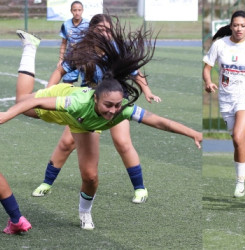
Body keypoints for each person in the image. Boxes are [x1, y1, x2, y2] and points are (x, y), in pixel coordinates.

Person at [7, 27, 202, 230]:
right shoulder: (76, 102)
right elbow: (28, 104)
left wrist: (193, 133)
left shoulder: (123, 110)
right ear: (96, 98)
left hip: (83, 125)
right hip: (64, 110)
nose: (113, 110)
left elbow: (161, 122)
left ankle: (85, 213)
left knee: (90, 177)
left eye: (117, 105)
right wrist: (5, 116)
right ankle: (30, 46)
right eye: (108, 105)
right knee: (22, 100)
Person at [31, 14, 161, 205]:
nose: (105, 34)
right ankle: (46, 183)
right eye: (101, 30)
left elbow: (135, 72)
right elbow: (61, 70)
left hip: (113, 104)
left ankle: (140, 188)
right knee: (66, 143)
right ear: (91, 31)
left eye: (108, 30)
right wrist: (47, 92)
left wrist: (147, 91)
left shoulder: (117, 50)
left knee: (122, 142)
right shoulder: (81, 50)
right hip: (88, 103)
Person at [203, 10, 245, 198]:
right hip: (226, 100)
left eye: (243, 25)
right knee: (242, 144)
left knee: (239, 137)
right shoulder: (219, 45)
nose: (239, 28)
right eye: (236, 25)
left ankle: (240, 183)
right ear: (231, 26)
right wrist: (208, 82)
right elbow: (207, 68)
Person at [58, 1, 89, 83]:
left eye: (79, 10)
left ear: (82, 10)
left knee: (87, 86)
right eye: (74, 10)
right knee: (67, 84)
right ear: (71, 11)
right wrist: (60, 60)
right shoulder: (65, 25)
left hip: (85, 60)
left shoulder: (88, 24)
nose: (77, 13)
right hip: (70, 59)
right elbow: (64, 43)